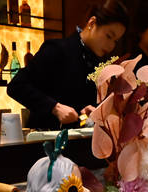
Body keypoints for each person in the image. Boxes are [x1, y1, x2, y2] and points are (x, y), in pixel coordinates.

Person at [7, 0, 128, 130]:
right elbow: (16, 86)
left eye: (115, 41)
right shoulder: (57, 49)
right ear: (92, 23)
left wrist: (84, 112)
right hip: (46, 138)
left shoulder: (98, 63)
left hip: (77, 140)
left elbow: (75, 106)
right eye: (109, 36)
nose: (111, 46)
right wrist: (54, 107)